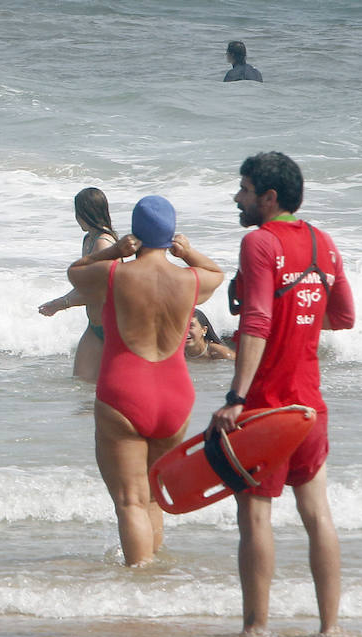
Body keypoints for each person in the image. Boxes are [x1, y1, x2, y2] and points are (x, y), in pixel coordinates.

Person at [211, 151, 354, 637]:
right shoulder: (323, 242)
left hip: (268, 406)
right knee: (317, 514)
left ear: (269, 198)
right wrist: (299, 311)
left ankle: (256, 629)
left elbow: (254, 323)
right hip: (311, 406)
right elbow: (343, 317)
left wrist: (235, 395)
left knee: (255, 514)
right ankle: (330, 629)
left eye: (245, 189)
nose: (238, 197)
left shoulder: (259, 242)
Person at [67, 196, 224, 566]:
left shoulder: (115, 274)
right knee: (153, 496)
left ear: (134, 233)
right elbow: (217, 273)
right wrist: (187, 253)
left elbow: (75, 271)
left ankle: (139, 587)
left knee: (130, 501)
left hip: (125, 390)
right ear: (170, 235)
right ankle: (153, 582)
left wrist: (111, 253)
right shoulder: (190, 280)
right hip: (174, 396)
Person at [38, 187, 120, 382]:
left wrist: (61, 304)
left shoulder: (104, 244)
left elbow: (99, 291)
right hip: (94, 326)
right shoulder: (89, 240)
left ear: (86, 213)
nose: (76, 218)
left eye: (77, 213)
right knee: (81, 385)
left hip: (114, 329)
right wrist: (58, 302)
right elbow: (85, 285)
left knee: (110, 389)